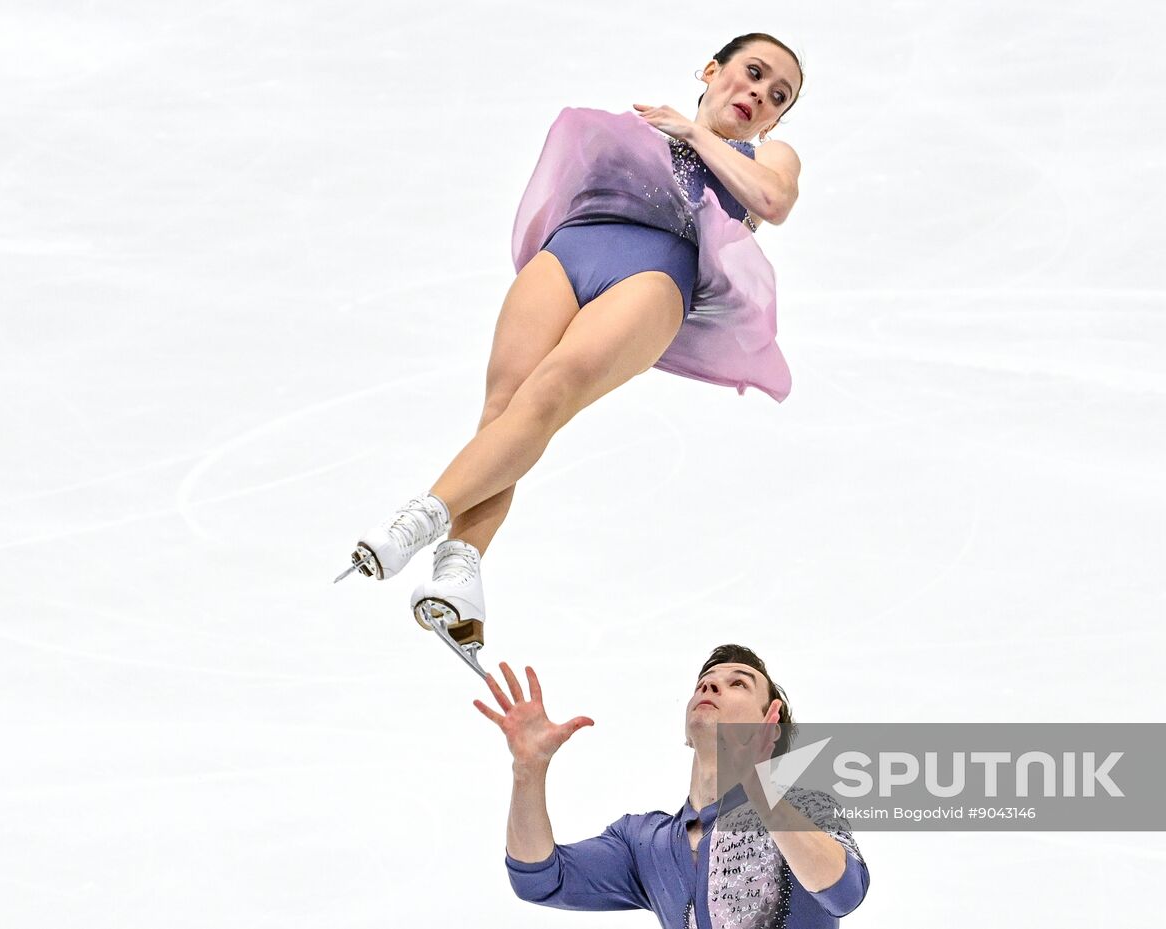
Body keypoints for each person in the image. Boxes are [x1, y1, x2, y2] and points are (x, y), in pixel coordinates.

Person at [335, 34, 806, 660]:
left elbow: (773, 201)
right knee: (504, 410)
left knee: (552, 389)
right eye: (752, 72)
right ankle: (461, 574)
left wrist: (695, 135)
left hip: (656, 274)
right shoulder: (646, 127)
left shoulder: (770, 152)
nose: (759, 93)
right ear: (711, 70)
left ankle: (419, 518)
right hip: (574, 248)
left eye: (778, 94)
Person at [476, 645, 870, 927]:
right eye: (705, 682)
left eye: (738, 684)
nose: (710, 687)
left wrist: (757, 784)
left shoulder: (804, 810)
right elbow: (540, 880)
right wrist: (528, 771)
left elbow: (842, 893)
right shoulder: (645, 841)